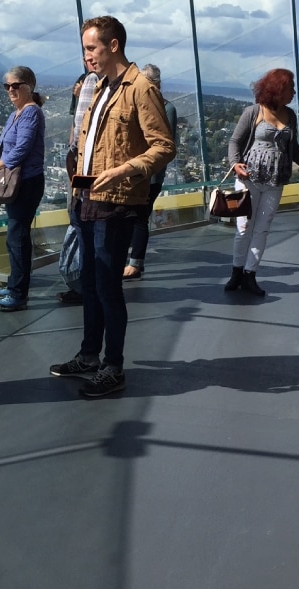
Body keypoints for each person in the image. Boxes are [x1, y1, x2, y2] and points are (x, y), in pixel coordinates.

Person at [49, 15, 175, 397]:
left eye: (92, 48)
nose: (86, 56)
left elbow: (164, 146)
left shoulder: (141, 89)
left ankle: (113, 366)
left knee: (107, 287)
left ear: (113, 45)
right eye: (85, 49)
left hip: (116, 204)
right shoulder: (101, 87)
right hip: (88, 199)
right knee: (90, 284)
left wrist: (123, 171)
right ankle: (90, 355)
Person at [226, 68, 299, 296]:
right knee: (244, 228)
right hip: (249, 180)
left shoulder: (290, 115)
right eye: (291, 88)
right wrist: (235, 164)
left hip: (275, 181)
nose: (294, 92)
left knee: (262, 229)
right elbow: (235, 142)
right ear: (278, 89)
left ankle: (250, 274)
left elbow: (294, 150)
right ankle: (236, 271)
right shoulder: (253, 112)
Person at [0, 66, 45, 311]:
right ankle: (14, 284)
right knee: (14, 236)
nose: (10, 90)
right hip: (17, 182)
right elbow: (5, 147)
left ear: (29, 86)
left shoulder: (31, 112)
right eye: (7, 86)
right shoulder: (16, 114)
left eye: (15, 85)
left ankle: (19, 292)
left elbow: (21, 149)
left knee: (18, 236)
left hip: (27, 183)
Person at [123, 64, 177, 280]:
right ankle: (133, 260)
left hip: (151, 173)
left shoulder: (167, 108)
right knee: (134, 215)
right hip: (135, 169)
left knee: (140, 215)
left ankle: (135, 263)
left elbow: (165, 143)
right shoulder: (145, 104)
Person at [58, 65, 99, 306]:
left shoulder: (92, 80)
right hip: (88, 178)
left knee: (82, 229)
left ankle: (84, 286)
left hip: (83, 179)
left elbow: (77, 138)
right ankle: (87, 286)